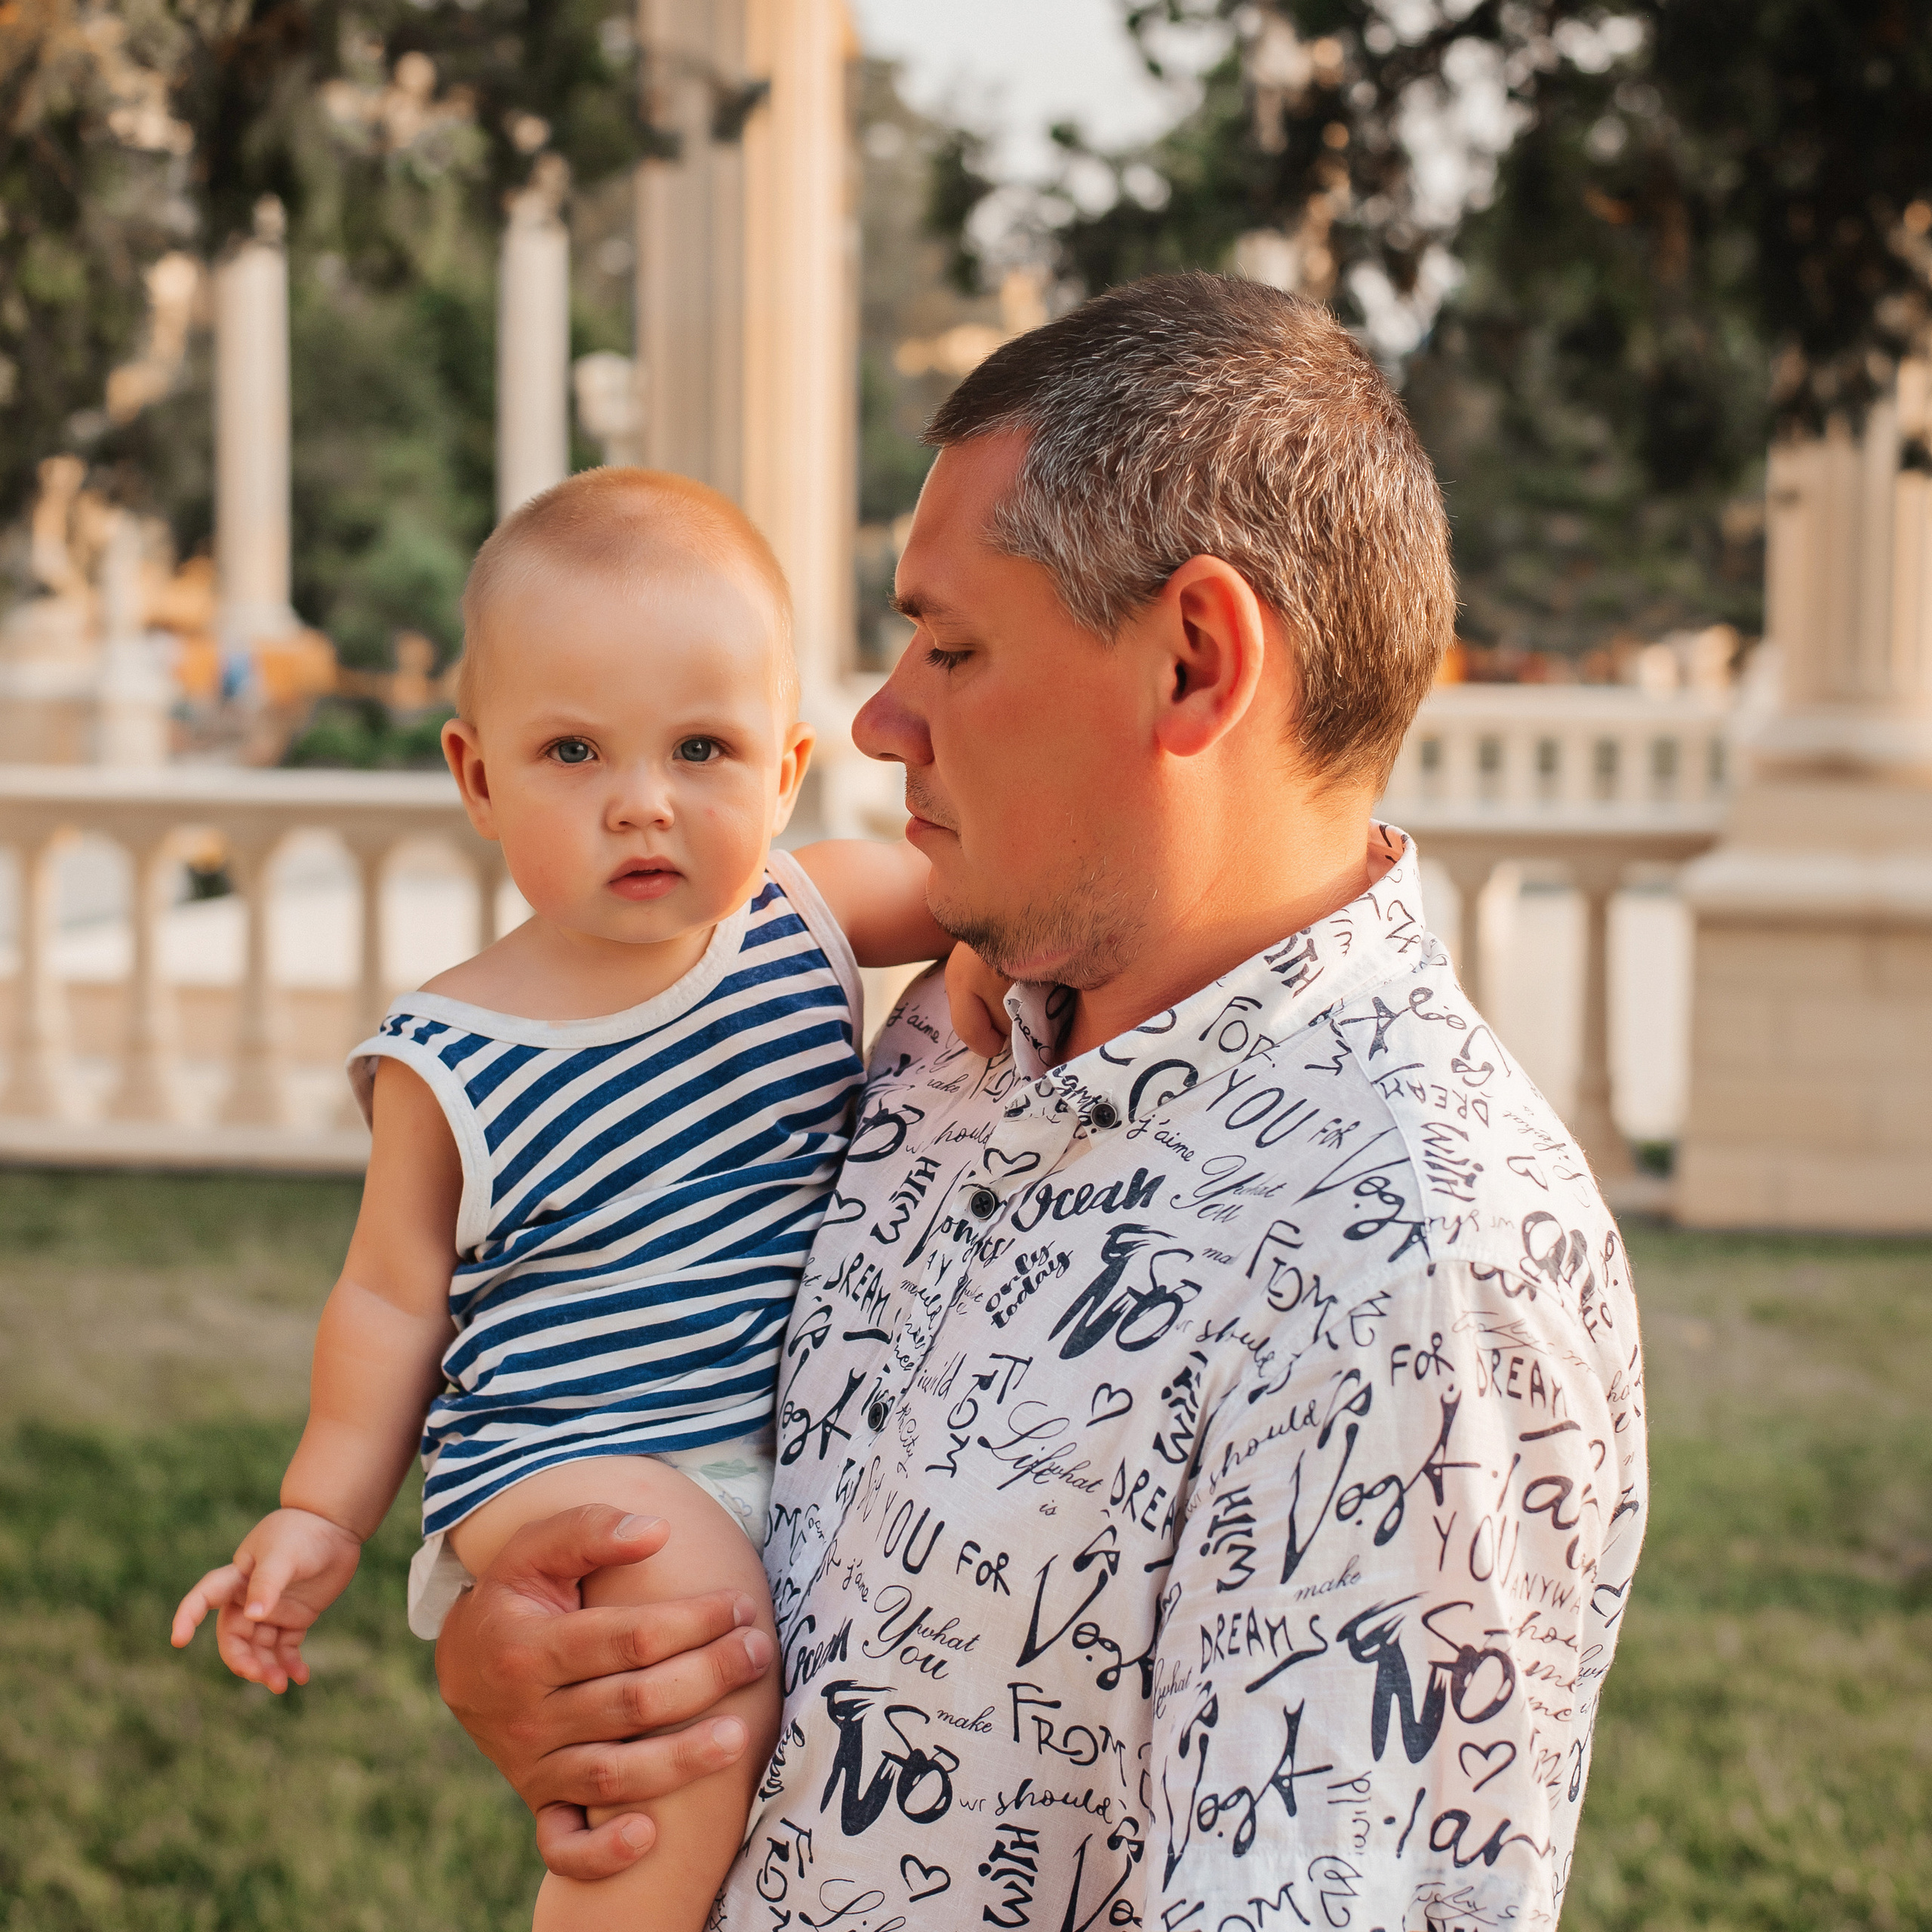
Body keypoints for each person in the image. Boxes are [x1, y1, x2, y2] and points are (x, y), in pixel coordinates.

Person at [433, 274, 1651, 1930]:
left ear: (1193, 663)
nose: (876, 718)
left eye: (948, 643)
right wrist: (531, 1646)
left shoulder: (1416, 1262)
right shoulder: (952, 1039)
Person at [169, 468, 1004, 1931]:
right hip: (570, 1451)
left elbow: (994, 889)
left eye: (701, 746)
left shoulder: (805, 916)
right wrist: (318, 1510)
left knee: (739, 1713)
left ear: (786, 767)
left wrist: (1001, 958)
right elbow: (388, 1292)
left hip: (747, 1443)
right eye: (571, 749)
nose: (642, 800)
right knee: (691, 1703)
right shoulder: (452, 1049)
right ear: (477, 776)